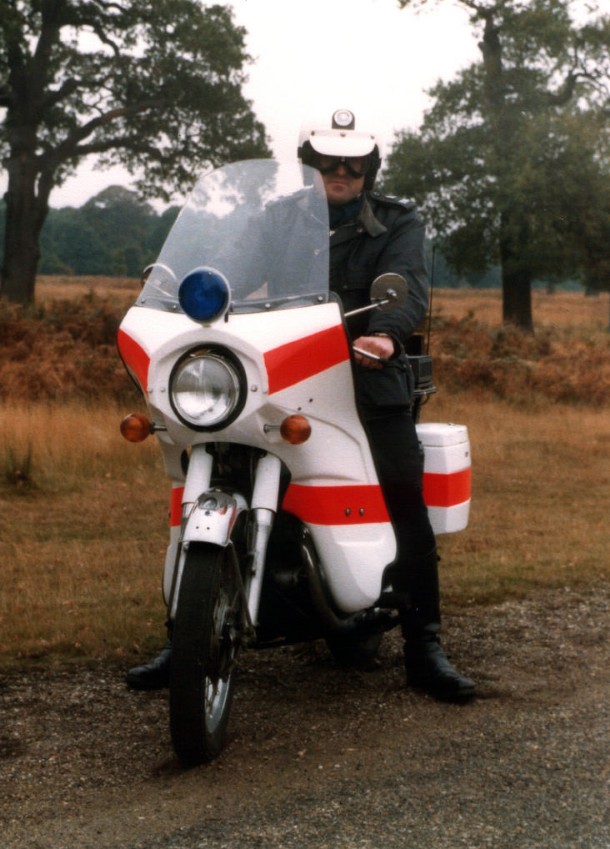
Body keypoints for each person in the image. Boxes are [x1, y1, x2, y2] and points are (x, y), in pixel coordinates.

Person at [126, 109, 475, 702]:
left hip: (364, 376)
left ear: (368, 169)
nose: (340, 172)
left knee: (401, 491)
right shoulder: (279, 219)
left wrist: (386, 331)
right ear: (308, 165)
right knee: (210, 464)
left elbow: (407, 283)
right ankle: (184, 633)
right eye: (327, 162)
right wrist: (174, 291)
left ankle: (425, 646)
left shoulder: (396, 221)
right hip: (286, 373)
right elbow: (231, 269)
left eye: (353, 163)